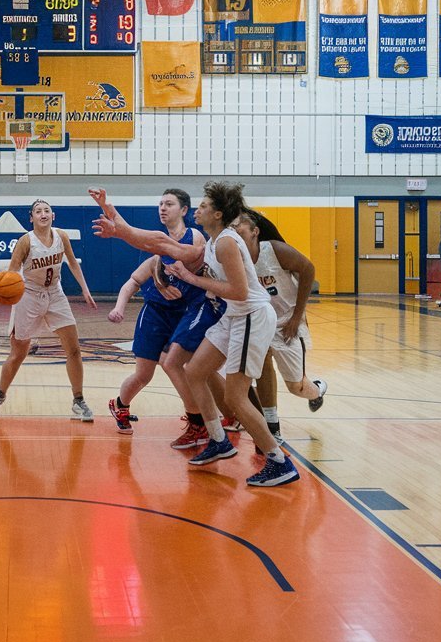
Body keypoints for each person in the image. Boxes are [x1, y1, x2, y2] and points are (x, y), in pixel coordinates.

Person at [91, 183, 299, 487]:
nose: (197, 210)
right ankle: (218, 440)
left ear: (216, 213)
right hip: (233, 316)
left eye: (202, 206)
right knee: (192, 368)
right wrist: (115, 223)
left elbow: (239, 292)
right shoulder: (211, 243)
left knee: (235, 397)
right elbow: (158, 242)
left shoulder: (227, 243)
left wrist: (191, 279)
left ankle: (278, 461)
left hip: (251, 316)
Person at [105, 189, 222, 444]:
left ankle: (201, 420)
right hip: (155, 314)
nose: (162, 208)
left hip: (187, 311)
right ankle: (120, 404)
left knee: (183, 365)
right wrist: (120, 307)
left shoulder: (195, 237)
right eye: (159, 203)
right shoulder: (156, 251)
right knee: (144, 375)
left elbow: (179, 255)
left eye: (169, 203)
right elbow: (133, 280)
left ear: (183, 210)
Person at [0, 198, 97, 421]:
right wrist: (7, 292)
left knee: (74, 349)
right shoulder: (25, 242)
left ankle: (78, 401)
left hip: (55, 293)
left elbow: (73, 263)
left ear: (53, 216)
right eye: (38, 211)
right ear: (32, 218)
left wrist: (85, 290)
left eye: (47, 210)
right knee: (18, 354)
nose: (43, 214)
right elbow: (12, 273)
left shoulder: (61, 236)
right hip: (29, 295)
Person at [233, 212, 327, 412]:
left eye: (238, 224)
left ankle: (317, 391)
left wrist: (296, 317)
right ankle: (269, 423)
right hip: (261, 321)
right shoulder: (234, 257)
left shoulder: (273, 250)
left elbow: (308, 269)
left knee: (296, 387)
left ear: (254, 232)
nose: (234, 228)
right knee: (257, 373)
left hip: (286, 321)